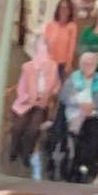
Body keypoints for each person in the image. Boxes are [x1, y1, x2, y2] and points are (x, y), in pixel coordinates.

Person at [57, 45, 98, 180]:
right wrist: (79, 104)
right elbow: (64, 97)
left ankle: (86, 163)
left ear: (96, 65)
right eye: (85, 63)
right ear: (80, 65)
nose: (88, 66)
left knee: (95, 135)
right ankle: (77, 164)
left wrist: (94, 105)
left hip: (94, 113)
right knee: (76, 134)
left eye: (91, 63)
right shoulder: (72, 79)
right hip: (75, 112)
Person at [6, 33, 59, 170]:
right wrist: (30, 98)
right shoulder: (28, 67)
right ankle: (14, 149)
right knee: (18, 126)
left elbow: (56, 86)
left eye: (45, 49)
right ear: (36, 51)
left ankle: (26, 154)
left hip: (41, 105)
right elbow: (21, 88)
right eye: (40, 49)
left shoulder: (53, 67)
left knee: (33, 129)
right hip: (26, 102)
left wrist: (48, 97)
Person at [43, 0, 79, 79]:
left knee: (60, 85)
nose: (64, 10)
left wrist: (68, 64)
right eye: (62, 7)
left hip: (62, 64)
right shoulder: (50, 25)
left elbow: (71, 47)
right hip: (49, 62)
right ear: (58, 9)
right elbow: (44, 44)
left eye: (66, 8)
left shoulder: (72, 26)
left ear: (70, 11)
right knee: (47, 84)